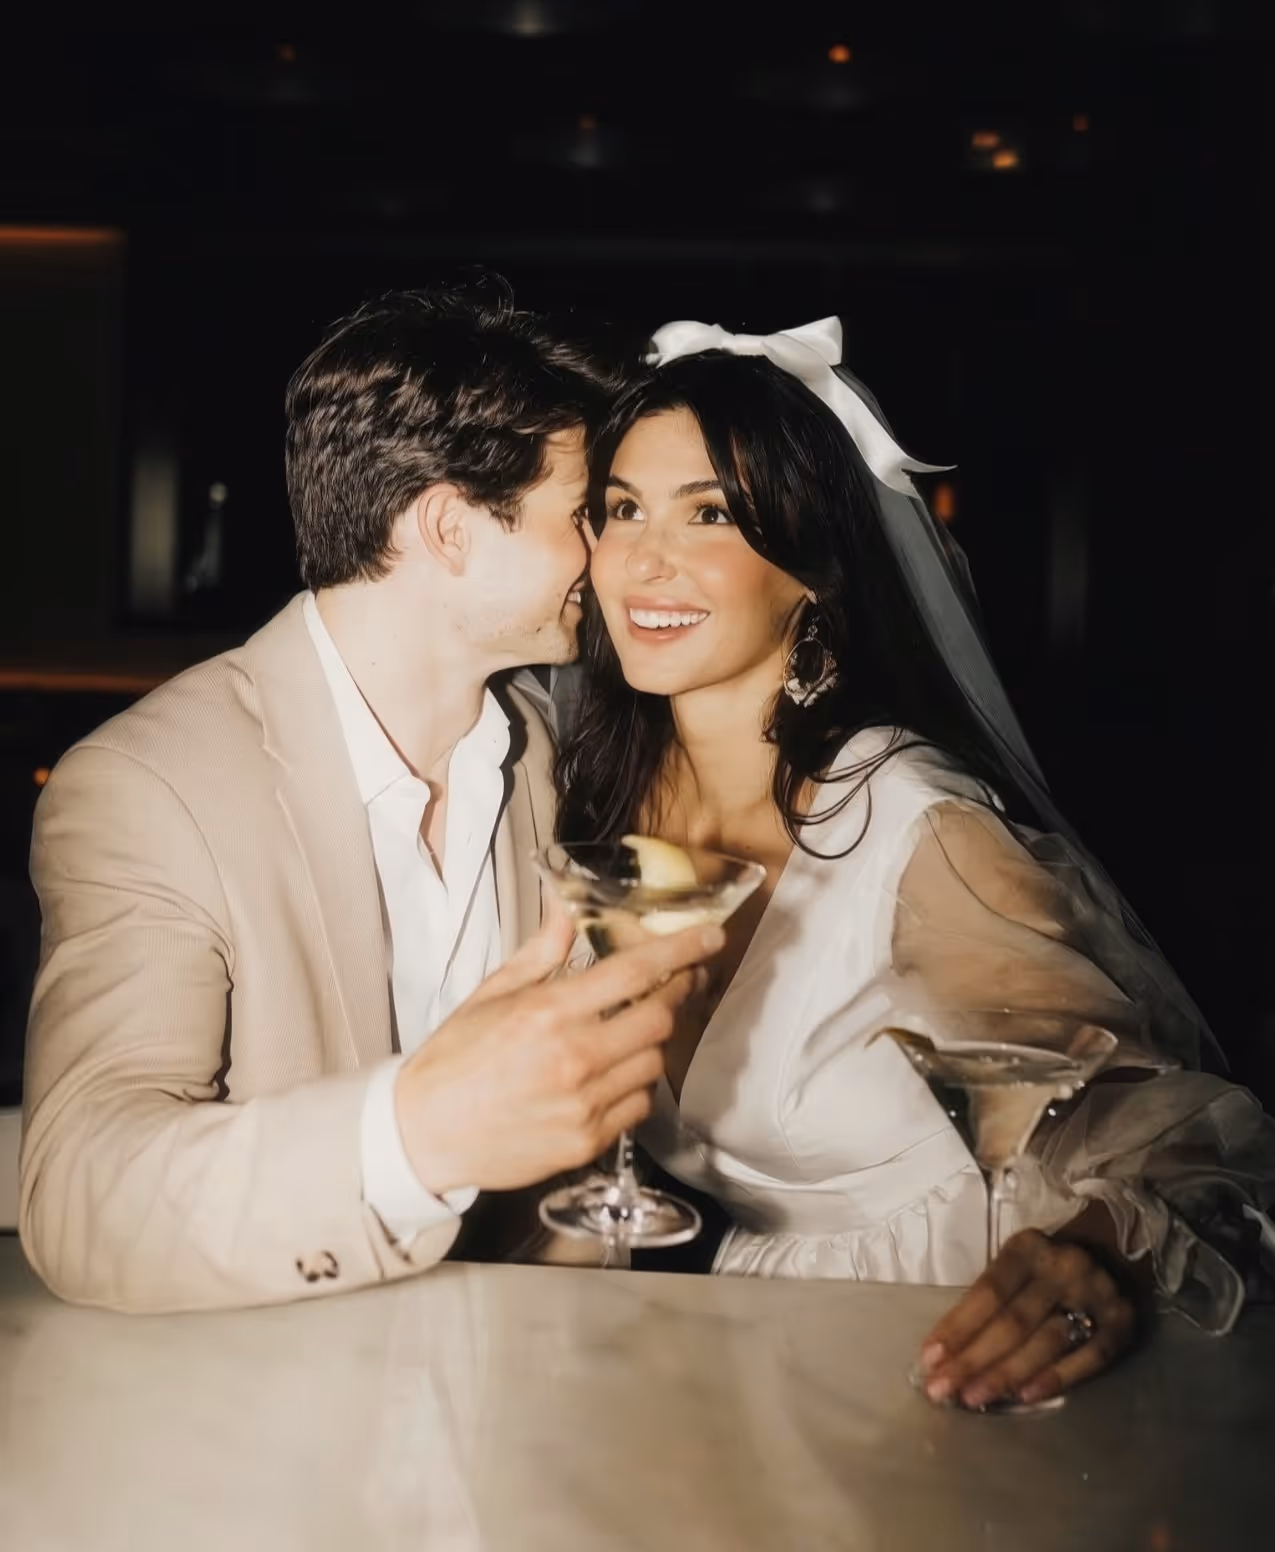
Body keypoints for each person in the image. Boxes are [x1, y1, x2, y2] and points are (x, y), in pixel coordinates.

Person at [556, 316, 1275, 1410]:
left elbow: (1182, 1142)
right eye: (622, 508)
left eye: (709, 512)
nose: (646, 560)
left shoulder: (918, 828)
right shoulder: (598, 806)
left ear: (810, 568)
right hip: (745, 1358)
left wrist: (1091, 1259)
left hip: (954, 1339)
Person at [19, 283, 725, 1314]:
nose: (607, 556)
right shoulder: (148, 788)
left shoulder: (551, 751)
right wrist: (415, 1131)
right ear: (448, 527)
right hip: (266, 1417)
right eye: (584, 514)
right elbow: (84, 1196)